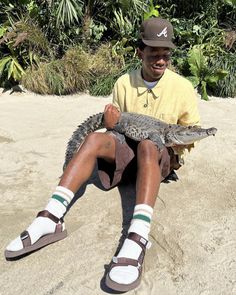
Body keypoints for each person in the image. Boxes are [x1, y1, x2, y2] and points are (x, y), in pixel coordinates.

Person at [5, 17, 200, 292]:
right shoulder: (123, 83)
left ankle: (138, 234)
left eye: (166, 53)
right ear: (139, 51)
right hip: (128, 151)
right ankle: (51, 217)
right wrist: (110, 125)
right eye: (154, 52)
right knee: (96, 137)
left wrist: (176, 145)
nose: (161, 59)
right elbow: (117, 130)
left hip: (159, 155)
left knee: (148, 145)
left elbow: (188, 132)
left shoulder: (182, 88)